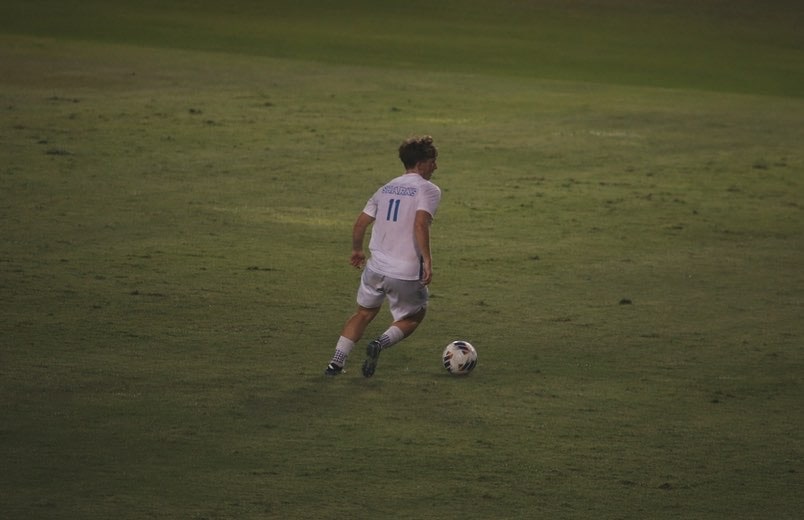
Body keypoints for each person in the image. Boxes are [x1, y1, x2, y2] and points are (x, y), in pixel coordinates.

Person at [325, 135, 442, 378]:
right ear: (421, 164)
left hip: (376, 268)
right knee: (414, 315)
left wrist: (357, 250)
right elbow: (420, 224)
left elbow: (359, 225)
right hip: (406, 271)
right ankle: (379, 344)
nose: (436, 166)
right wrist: (428, 261)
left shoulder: (385, 188)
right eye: (433, 161)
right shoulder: (428, 189)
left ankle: (335, 363)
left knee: (363, 313)